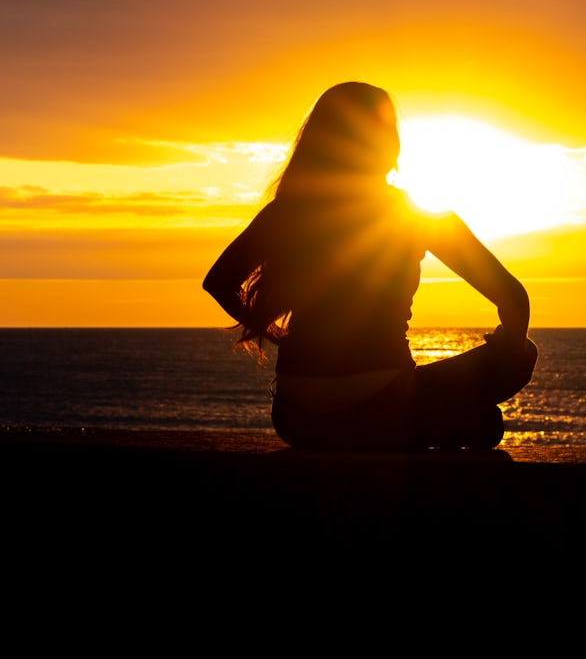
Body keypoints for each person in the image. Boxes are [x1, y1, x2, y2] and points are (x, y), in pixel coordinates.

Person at [203, 81, 537, 450]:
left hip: (297, 418)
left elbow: (218, 281)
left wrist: (280, 339)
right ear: (388, 143)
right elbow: (513, 299)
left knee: (477, 422)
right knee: (513, 373)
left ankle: (429, 422)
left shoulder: (287, 211)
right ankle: (433, 422)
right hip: (385, 405)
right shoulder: (416, 216)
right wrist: (507, 345)